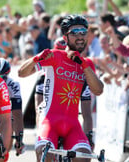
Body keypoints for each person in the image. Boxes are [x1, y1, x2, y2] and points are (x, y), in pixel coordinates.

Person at [18, 15, 103, 162]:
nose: (80, 36)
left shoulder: (88, 63)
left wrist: (83, 65)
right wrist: (36, 58)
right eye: (75, 32)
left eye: (83, 32)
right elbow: (21, 73)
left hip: (72, 125)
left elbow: (98, 90)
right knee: (46, 156)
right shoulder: (55, 56)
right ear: (65, 37)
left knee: (84, 157)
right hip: (50, 122)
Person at [0, 57, 24, 160]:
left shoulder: (13, 85)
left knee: (10, 121)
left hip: (1, 114)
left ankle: (3, 154)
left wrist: (19, 138)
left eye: (3, 77)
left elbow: (17, 113)